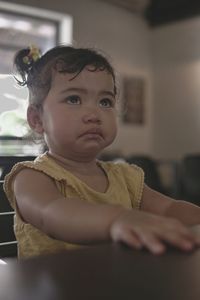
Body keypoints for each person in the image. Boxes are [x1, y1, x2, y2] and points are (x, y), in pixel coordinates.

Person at [4, 45, 200, 259]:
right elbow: (51, 213)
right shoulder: (32, 177)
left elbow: (168, 209)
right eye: (74, 99)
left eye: (105, 102)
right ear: (37, 119)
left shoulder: (126, 178)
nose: (94, 114)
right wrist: (117, 219)